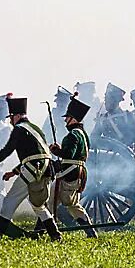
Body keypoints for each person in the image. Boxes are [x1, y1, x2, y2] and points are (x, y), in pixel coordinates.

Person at [0, 96, 62, 241]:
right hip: (46, 168)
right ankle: (55, 234)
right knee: (38, 205)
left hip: (33, 169)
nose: (10, 121)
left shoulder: (19, 129)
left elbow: (7, 150)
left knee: (9, 201)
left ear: (17, 116)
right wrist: (13, 172)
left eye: (11, 117)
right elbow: (33, 155)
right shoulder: (35, 128)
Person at [49, 96, 98, 238]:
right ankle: (90, 232)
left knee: (50, 202)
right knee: (73, 205)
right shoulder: (83, 134)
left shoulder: (72, 136)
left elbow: (68, 155)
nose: (65, 120)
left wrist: (55, 150)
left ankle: (43, 230)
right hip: (78, 173)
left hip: (69, 173)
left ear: (74, 119)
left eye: (68, 117)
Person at [92, 83, 135, 147]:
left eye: (109, 99)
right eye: (105, 99)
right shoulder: (102, 119)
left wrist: (124, 143)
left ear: (117, 101)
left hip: (125, 154)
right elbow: (94, 138)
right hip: (107, 154)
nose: (106, 102)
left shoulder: (127, 116)